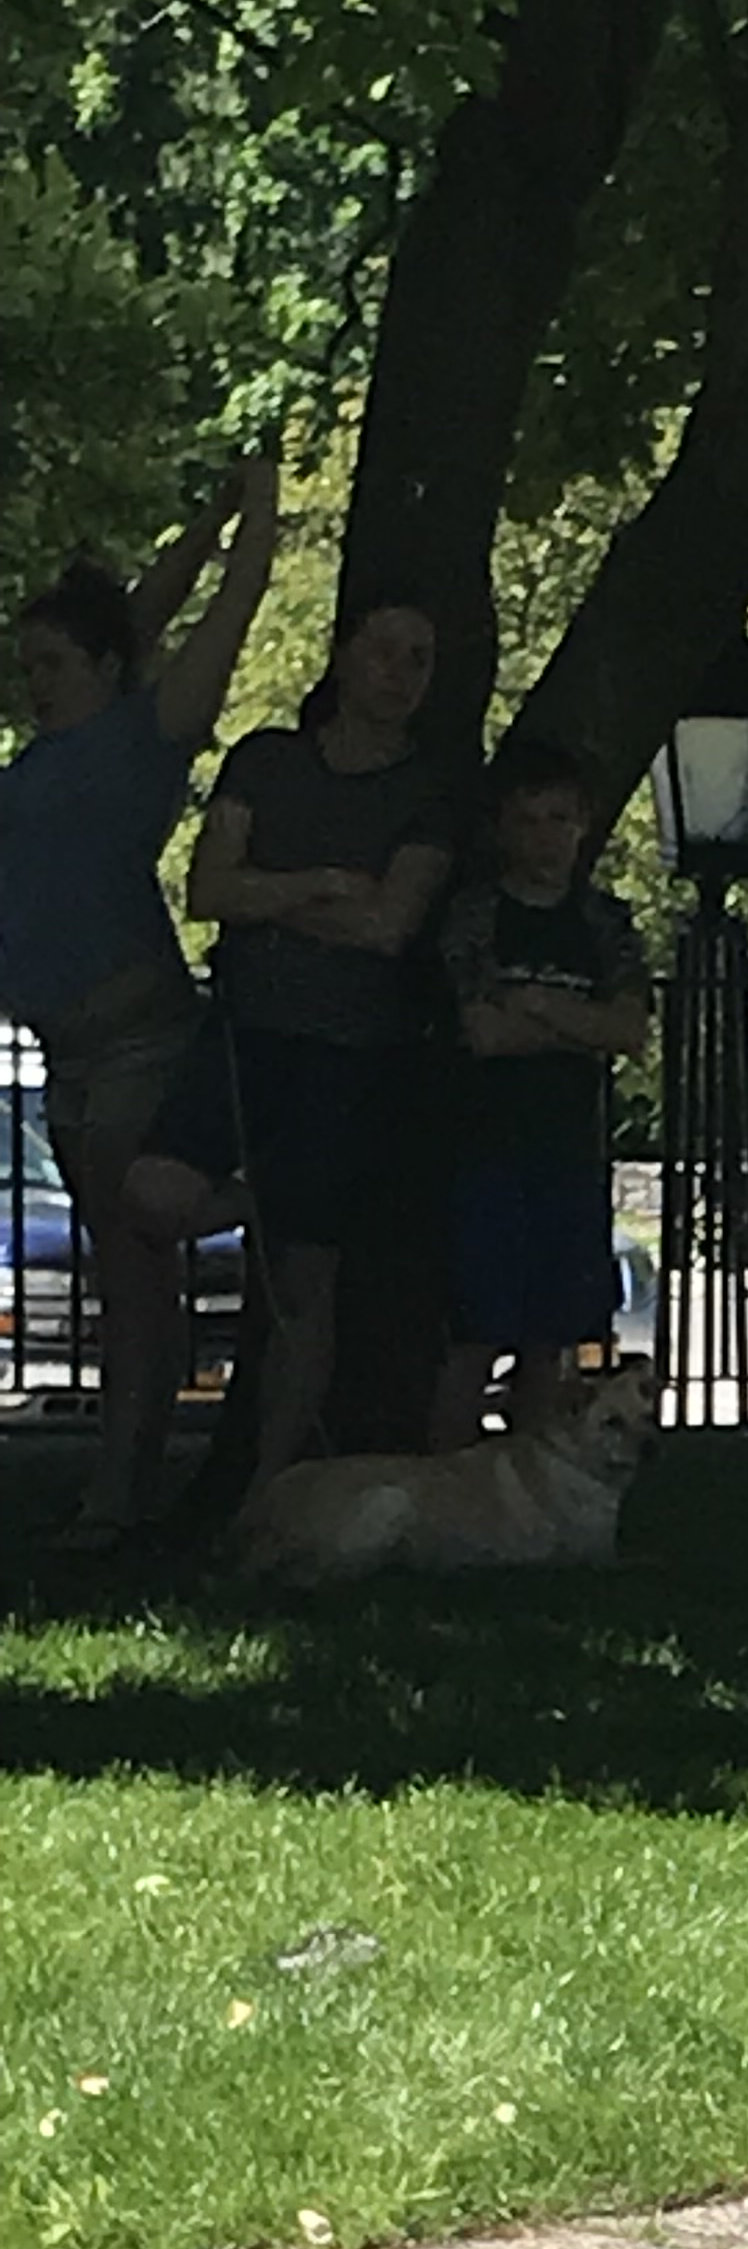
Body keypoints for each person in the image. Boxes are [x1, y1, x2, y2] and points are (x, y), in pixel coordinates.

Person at [0, 462, 279, 1548]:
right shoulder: (46, 756)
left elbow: (219, 612)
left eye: (52, 663)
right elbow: (135, 616)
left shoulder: (141, 740)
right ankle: (119, 1492)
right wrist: (204, 515)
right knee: (126, 1279)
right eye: (26, 665)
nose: (34, 682)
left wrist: (256, 511)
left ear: (106, 671)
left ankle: (118, 1497)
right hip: (68, 1059)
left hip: (135, 1044)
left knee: (137, 1266)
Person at [126, 596, 457, 1502]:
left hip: (349, 1053)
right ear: (344, 656)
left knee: (308, 1281)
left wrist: (269, 900)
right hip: (245, 1032)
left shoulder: (428, 793)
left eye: (419, 658)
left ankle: (270, 1493)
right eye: (385, 651)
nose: (400, 673)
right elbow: (208, 890)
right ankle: (260, 1198)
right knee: (152, 1192)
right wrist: (321, 886)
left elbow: (390, 925)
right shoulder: (265, 760)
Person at [430, 738, 650, 1448]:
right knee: (475, 1335)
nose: (545, 838)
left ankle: (531, 1476)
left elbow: (628, 1029)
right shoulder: (475, 916)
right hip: (486, 1149)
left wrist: (538, 1004)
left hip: (570, 1151)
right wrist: (578, 1025)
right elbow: (483, 1031)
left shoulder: (603, 922)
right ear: (503, 829)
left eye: (559, 819)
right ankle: (451, 1477)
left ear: (583, 824)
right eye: (528, 821)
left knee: (549, 1341)